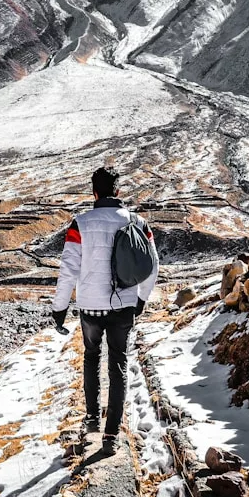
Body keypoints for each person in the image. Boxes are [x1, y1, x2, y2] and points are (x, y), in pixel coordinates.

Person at [51, 166, 159, 455]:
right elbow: (152, 266)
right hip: (124, 306)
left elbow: (68, 269)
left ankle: (91, 419)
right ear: (119, 191)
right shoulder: (138, 222)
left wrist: (60, 308)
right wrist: (141, 300)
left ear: (94, 192)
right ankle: (111, 435)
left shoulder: (80, 223)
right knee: (118, 366)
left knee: (91, 357)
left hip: (90, 307)